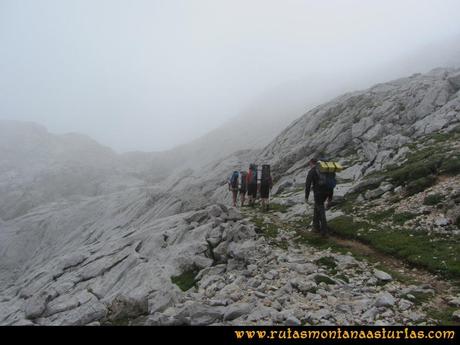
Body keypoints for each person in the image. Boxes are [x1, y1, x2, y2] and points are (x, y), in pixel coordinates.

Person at [305, 157, 333, 235]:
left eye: (309, 164)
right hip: (327, 192)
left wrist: (306, 197)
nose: (309, 165)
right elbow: (330, 181)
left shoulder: (312, 171)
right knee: (316, 208)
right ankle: (316, 227)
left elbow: (307, 185)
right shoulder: (324, 170)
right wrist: (330, 197)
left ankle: (324, 231)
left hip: (318, 194)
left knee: (321, 211)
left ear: (311, 163)